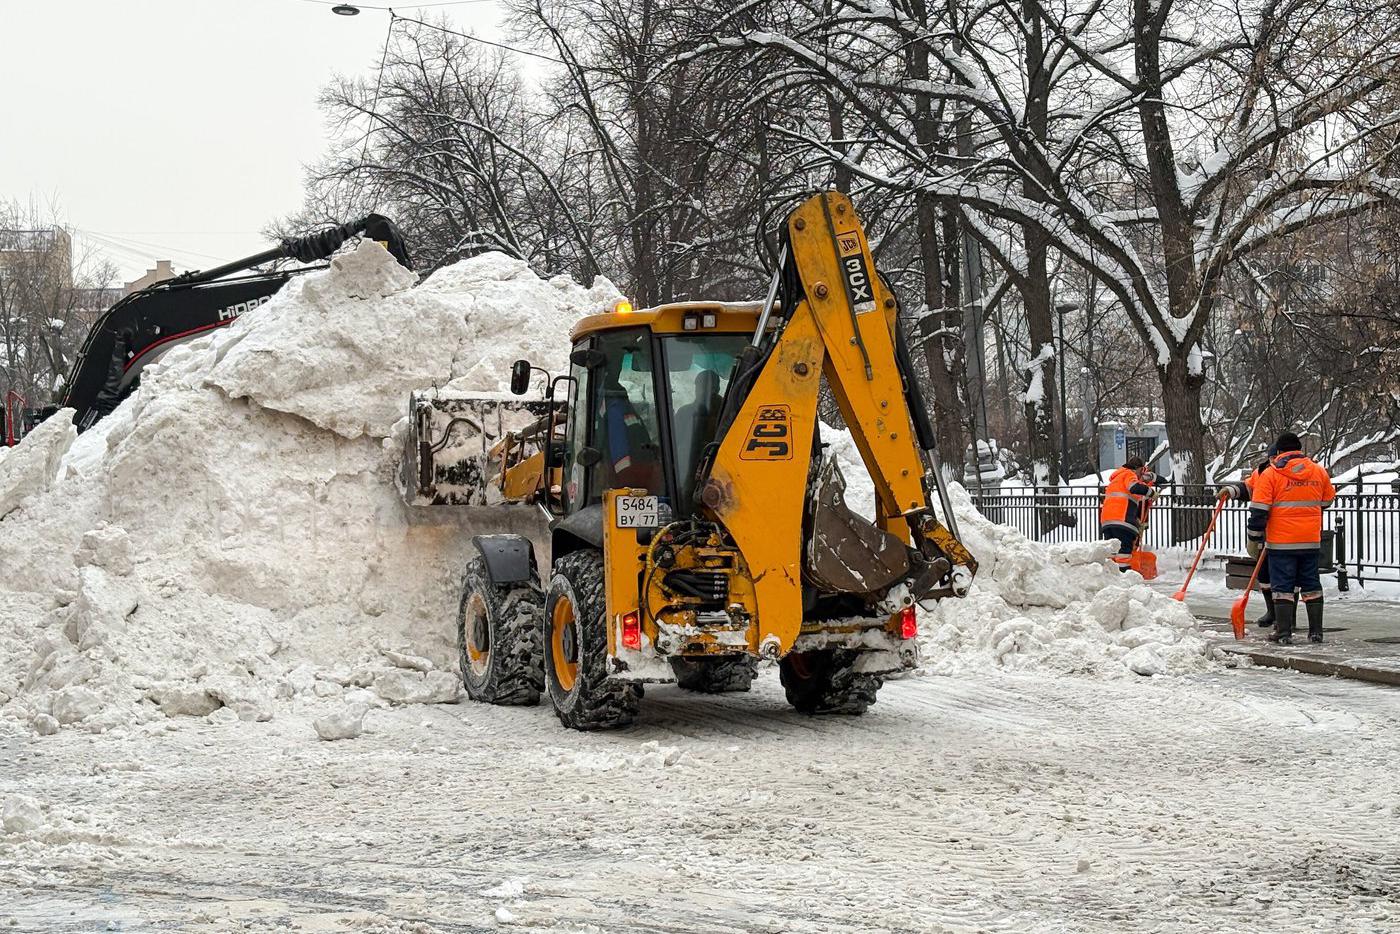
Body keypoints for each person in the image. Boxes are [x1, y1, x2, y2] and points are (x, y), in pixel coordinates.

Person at [1246, 432, 1335, 645]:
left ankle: (1283, 633)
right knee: (1311, 584)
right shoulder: (1318, 471)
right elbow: (1328, 500)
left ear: (1279, 451)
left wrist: (1254, 538)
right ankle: (1316, 632)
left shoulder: (1271, 474)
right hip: (1310, 541)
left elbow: (1259, 511)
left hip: (1281, 543)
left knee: (1283, 587)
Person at [1217, 447, 1277, 629]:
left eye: (1277, 456)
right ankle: (1272, 612)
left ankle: (1287, 618)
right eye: (1272, 456)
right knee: (1264, 573)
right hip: (1263, 528)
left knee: (1285, 577)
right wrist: (1232, 490)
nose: (1275, 459)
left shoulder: (1284, 473)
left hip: (1281, 529)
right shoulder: (1262, 472)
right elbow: (1249, 487)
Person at [1100, 457, 1156, 569]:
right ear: (1137, 468)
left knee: (1112, 552)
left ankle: (1111, 577)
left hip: (1107, 521)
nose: (1141, 474)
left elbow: (1129, 495)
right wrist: (1151, 493)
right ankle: (1124, 578)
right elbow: (1134, 487)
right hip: (1122, 519)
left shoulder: (1117, 479)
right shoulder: (1129, 474)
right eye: (1141, 471)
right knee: (1124, 552)